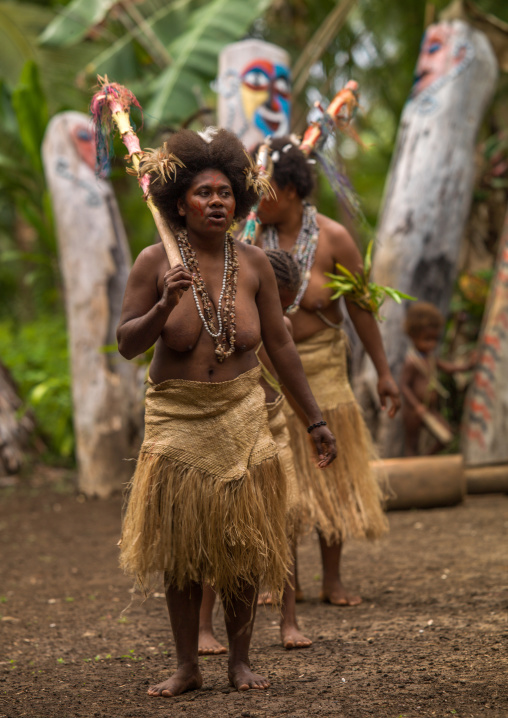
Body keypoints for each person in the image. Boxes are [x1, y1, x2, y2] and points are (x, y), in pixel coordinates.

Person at [116, 128, 337, 698]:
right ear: (178, 204)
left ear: (238, 200)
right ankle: (188, 666)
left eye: (225, 193)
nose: (217, 201)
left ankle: (240, 661)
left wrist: (315, 419)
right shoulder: (153, 262)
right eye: (203, 193)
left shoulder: (257, 264)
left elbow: (281, 348)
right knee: (185, 553)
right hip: (179, 422)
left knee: (244, 547)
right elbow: (126, 343)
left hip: (243, 415)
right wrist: (165, 302)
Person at [256, 136, 401, 606]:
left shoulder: (335, 238)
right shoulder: (251, 239)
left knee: (330, 473)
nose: (256, 198)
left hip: (324, 364)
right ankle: (284, 580)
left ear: (293, 192)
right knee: (279, 474)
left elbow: (360, 308)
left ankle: (332, 580)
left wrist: (383, 372)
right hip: (272, 370)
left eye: (265, 189)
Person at [198, 249, 312, 654]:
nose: (287, 306)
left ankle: (289, 621)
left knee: (285, 522)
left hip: (273, 425)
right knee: (220, 527)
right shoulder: (226, 317)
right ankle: (203, 629)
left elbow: (284, 368)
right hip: (234, 426)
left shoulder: (278, 324)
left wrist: (314, 422)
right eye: (286, 296)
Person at [400, 301, 472, 456]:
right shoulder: (412, 361)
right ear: (413, 335)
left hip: (430, 409)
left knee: (446, 435)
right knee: (411, 443)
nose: (431, 344)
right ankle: (411, 470)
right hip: (414, 411)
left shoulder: (431, 358)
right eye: (426, 339)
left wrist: (467, 366)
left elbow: (448, 368)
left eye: (434, 340)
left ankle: (425, 460)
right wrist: (416, 406)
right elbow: (404, 386)